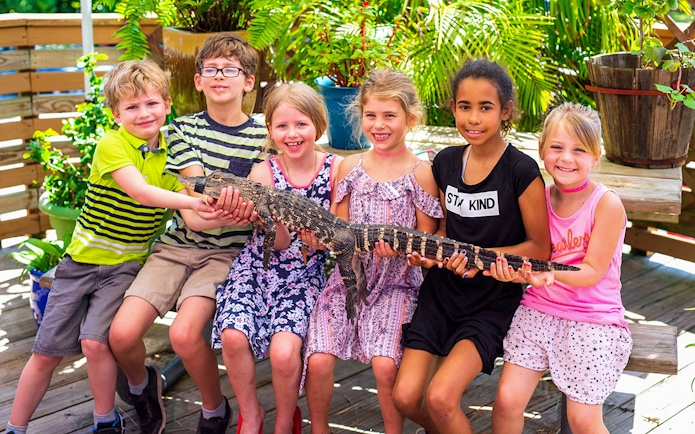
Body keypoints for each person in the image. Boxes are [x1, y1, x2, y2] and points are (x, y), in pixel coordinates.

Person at [3, 60, 221, 434]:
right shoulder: (112, 143)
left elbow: (193, 212)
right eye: (131, 107)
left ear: (168, 104)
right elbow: (141, 192)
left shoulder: (178, 154)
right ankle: (15, 427)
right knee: (44, 354)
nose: (143, 113)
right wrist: (191, 200)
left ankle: (106, 421)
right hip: (80, 264)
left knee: (95, 344)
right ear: (115, 113)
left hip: (126, 267)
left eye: (151, 103)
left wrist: (221, 210)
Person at [108, 33, 267, 434]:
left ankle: (214, 408)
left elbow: (261, 208)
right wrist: (241, 209)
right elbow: (195, 212)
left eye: (230, 69)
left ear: (248, 81)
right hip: (176, 247)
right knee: (122, 335)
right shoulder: (181, 130)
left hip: (226, 256)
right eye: (210, 69)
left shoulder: (265, 137)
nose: (219, 76)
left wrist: (242, 211)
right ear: (198, 81)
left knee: (183, 334)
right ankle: (145, 389)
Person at [391, 59, 551, 434]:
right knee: (406, 397)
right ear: (452, 108)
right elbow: (444, 232)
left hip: (491, 301)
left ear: (505, 111)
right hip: (442, 295)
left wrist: (485, 261)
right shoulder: (444, 163)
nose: (473, 118)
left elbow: (541, 248)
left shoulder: (521, 171)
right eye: (465, 107)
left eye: (485, 107)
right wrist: (426, 255)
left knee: (441, 398)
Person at [301, 68, 442, 434]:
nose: (379, 125)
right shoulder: (349, 167)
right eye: (371, 115)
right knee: (317, 360)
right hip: (348, 280)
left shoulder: (420, 173)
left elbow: (429, 246)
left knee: (385, 365)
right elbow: (337, 231)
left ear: (410, 119)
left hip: (398, 283)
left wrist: (401, 252)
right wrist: (313, 237)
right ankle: (319, 429)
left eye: (389, 116)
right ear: (360, 116)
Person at [490, 102, 633, 434]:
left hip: (593, 318)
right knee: (507, 401)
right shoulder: (538, 197)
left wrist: (548, 273)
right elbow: (526, 256)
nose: (567, 158)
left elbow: (593, 271)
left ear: (597, 156)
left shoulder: (607, 204)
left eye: (579, 150)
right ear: (542, 151)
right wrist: (513, 271)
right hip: (539, 310)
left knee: (582, 420)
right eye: (557, 147)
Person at [211, 82, 343, 434]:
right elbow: (277, 241)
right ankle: (250, 413)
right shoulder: (262, 173)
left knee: (285, 353)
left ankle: (286, 420)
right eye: (281, 126)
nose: (292, 133)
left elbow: (331, 239)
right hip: (259, 265)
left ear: (319, 124)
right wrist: (267, 218)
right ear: (270, 130)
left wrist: (316, 239)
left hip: (304, 272)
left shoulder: (336, 170)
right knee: (234, 336)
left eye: (301, 124)